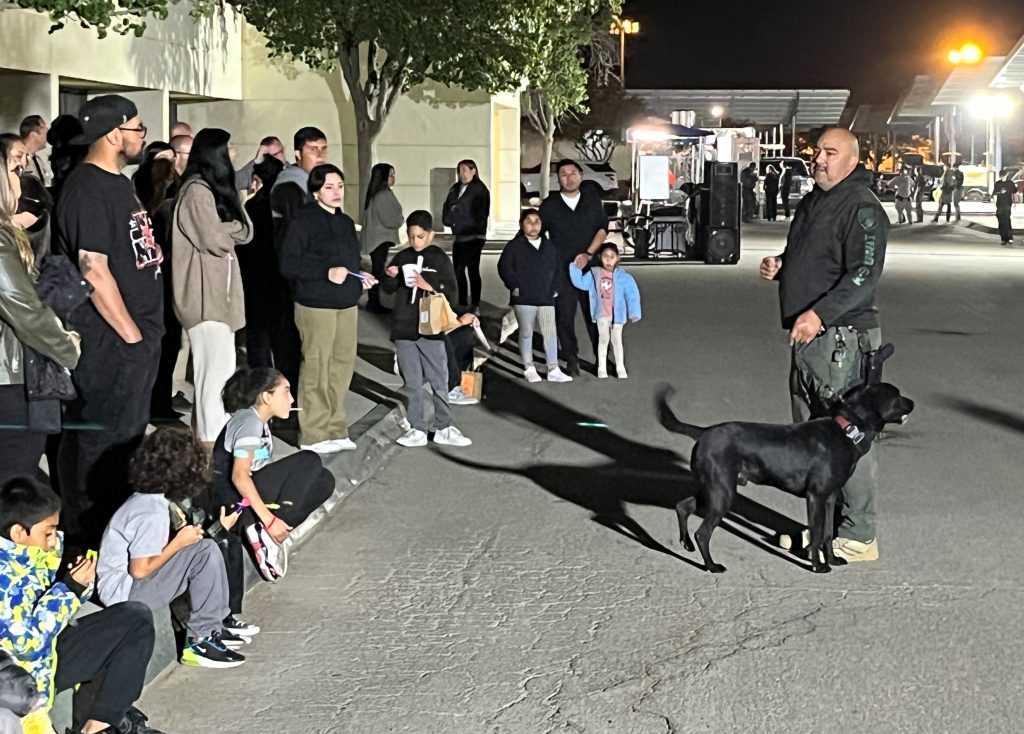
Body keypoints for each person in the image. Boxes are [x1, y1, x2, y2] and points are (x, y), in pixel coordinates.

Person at [759, 127, 888, 563]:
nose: (819, 159)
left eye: (830, 153)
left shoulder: (861, 207)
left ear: (851, 160)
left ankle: (859, 534)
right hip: (810, 337)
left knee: (846, 438)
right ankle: (822, 530)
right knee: (814, 440)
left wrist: (819, 313)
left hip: (840, 339)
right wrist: (783, 263)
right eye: (818, 152)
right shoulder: (816, 200)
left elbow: (863, 273)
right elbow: (813, 254)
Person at [55, 95, 164, 544]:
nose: (143, 136)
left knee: (127, 442)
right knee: (100, 443)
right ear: (115, 132)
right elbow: (93, 268)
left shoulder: (119, 183)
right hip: (112, 344)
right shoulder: (86, 188)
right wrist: (132, 337)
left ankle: (120, 538)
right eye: (138, 128)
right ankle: (89, 542)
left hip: (137, 339)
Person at [0, 476, 166, 734]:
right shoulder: (4, 578)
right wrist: (69, 590)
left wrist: (77, 577)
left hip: (52, 652)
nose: (54, 539)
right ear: (18, 533)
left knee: (135, 618)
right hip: (25, 679)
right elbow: (26, 644)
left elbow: (67, 605)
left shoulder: (32, 551)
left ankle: (99, 726)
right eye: (48, 531)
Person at [96, 427, 246, 669]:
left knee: (206, 548)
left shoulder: (150, 498)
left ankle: (214, 627)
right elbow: (140, 570)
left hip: (128, 587)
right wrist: (180, 542)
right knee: (204, 553)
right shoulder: (150, 511)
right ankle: (200, 641)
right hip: (124, 594)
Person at [279, 164, 374, 454]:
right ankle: (313, 433)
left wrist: (362, 277)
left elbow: (350, 261)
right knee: (317, 367)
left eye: (340, 186)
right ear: (316, 190)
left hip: (346, 304)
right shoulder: (304, 221)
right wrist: (324, 272)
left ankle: (336, 427)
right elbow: (289, 264)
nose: (336, 193)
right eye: (329, 187)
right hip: (316, 305)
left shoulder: (345, 222)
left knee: (342, 367)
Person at [0, 149, 80, 485]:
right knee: (15, 482)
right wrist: (68, 347)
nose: (22, 175)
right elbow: (25, 309)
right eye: (15, 168)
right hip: (10, 380)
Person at [171, 128, 253, 450]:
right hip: (205, 301)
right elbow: (214, 239)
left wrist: (234, 216)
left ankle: (204, 447)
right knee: (213, 381)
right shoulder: (196, 192)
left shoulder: (213, 191)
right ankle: (210, 453)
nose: (234, 154)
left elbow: (245, 232)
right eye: (229, 147)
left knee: (218, 375)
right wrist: (232, 226)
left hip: (220, 300)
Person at [210, 368, 335, 581]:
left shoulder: (261, 424)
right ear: (267, 396)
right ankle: (269, 529)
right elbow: (239, 476)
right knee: (309, 459)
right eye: (285, 392)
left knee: (324, 480)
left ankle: (273, 531)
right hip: (233, 503)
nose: (292, 398)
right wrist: (269, 520)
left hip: (247, 499)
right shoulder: (248, 421)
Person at [381, 211, 472, 448]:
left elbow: (451, 292)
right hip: (404, 328)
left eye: (421, 236)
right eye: (412, 237)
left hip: (431, 329)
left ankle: (443, 426)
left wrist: (429, 285)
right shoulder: (401, 257)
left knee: (439, 380)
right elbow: (386, 291)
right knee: (412, 382)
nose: (416, 242)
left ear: (431, 235)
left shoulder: (440, 259)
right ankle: (417, 428)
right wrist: (390, 276)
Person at [269, 127, 328, 397]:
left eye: (323, 149)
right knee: (292, 343)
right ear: (297, 153)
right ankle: (289, 399)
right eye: (312, 149)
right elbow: (294, 238)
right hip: (291, 280)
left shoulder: (314, 185)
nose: (319, 155)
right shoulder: (290, 186)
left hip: (307, 278)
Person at [538, 159, 608, 376]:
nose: (568, 178)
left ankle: (602, 359)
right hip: (562, 270)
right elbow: (537, 234)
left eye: (572, 173)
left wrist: (588, 254)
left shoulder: (592, 200)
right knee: (564, 316)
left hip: (591, 268)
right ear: (558, 179)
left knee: (596, 315)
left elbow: (602, 229)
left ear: (580, 175)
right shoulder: (550, 205)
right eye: (563, 175)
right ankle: (571, 357)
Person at [132, 144, 180, 422]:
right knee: (165, 342)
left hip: (159, 273)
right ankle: (157, 402)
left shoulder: (142, 188)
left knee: (165, 342)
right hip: (162, 272)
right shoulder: (158, 194)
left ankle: (158, 400)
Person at [497, 208, 570, 383]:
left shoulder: (549, 246)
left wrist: (556, 287)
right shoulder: (514, 246)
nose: (533, 225)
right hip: (524, 298)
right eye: (529, 222)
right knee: (526, 332)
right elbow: (504, 267)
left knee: (550, 332)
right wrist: (513, 286)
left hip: (545, 297)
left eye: (537, 221)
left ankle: (553, 368)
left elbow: (558, 269)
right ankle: (528, 367)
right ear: (522, 225)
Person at [238, 156, 286, 368]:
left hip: (254, 275)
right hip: (280, 275)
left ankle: (260, 375)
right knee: (281, 331)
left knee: (257, 332)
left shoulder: (252, 207)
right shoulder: (283, 206)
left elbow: (243, 244)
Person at [569, 242, 641, 379]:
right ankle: (601, 367)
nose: (608, 259)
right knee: (603, 339)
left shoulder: (624, 277)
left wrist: (634, 312)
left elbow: (632, 295)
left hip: (617, 316)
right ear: (599, 257)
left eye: (612, 256)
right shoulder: (594, 274)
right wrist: (575, 267)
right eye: (605, 256)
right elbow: (581, 283)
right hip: (602, 313)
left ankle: (620, 366)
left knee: (617, 341)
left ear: (618, 258)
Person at [442, 159, 490, 306]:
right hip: (460, 236)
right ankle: (461, 301)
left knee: (472, 270)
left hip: (474, 236)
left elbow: (480, 214)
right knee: (458, 269)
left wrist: (462, 220)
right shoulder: (455, 188)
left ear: (473, 171)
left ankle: (475, 302)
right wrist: (449, 220)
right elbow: (448, 206)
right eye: (459, 170)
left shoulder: (480, 189)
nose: (461, 174)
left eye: (464, 170)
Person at [361, 163, 404, 313]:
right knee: (379, 271)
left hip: (376, 239)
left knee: (377, 269)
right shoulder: (383, 195)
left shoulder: (374, 194)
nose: (393, 178)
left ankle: (374, 301)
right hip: (381, 239)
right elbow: (391, 219)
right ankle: (376, 302)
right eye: (391, 175)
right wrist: (401, 219)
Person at [19, 116, 50, 187]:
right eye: (43, 127)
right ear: (33, 135)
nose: (47, 131)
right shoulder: (18, 161)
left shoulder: (38, 160)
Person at [993, 169, 1016, 246]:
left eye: (1004, 176)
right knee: (1001, 221)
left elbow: (1015, 190)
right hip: (999, 205)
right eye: (1001, 176)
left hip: (1007, 205)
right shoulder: (997, 184)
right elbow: (994, 193)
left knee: (1006, 220)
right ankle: (1003, 238)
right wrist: (1000, 192)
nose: (1003, 177)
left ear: (1006, 175)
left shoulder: (1010, 183)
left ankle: (1009, 238)